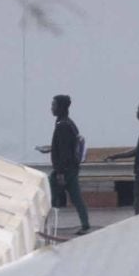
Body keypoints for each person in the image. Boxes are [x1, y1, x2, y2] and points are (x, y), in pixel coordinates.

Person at [36, 94, 90, 235]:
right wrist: (50, 148)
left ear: (61, 107)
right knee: (75, 197)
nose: (51, 108)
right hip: (70, 168)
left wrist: (60, 173)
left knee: (49, 194)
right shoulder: (68, 123)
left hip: (64, 170)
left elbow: (65, 152)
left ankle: (44, 226)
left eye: (54, 105)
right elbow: (64, 146)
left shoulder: (63, 126)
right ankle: (85, 224)